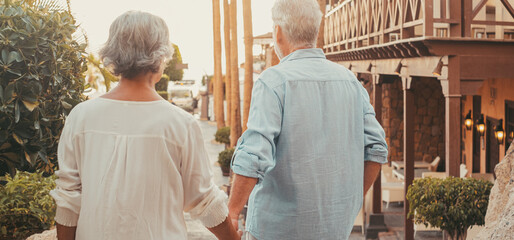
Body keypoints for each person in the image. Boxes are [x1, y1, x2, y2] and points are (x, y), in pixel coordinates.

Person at [50, 11, 239, 240]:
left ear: (112, 55)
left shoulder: (80, 117)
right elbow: (204, 201)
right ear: (160, 59)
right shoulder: (181, 125)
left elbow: (68, 200)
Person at [227, 0, 389, 239]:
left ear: (278, 32)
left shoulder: (272, 81)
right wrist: (350, 202)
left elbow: (253, 155)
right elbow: (377, 148)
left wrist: (231, 213)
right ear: (315, 30)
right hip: (334, 231)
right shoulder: (350, 82)